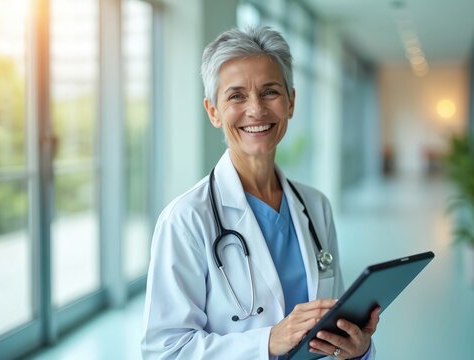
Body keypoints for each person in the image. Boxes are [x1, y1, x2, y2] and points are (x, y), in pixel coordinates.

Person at [141, 26, 380, 360]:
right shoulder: (185, 220)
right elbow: (164, 351)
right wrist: (266, 341)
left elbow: (332, 324)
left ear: (291, 102)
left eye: (270, 92)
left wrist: (357, 349)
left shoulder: (315, 207)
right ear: (213, 111)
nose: (256, 110)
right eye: (236, 96)